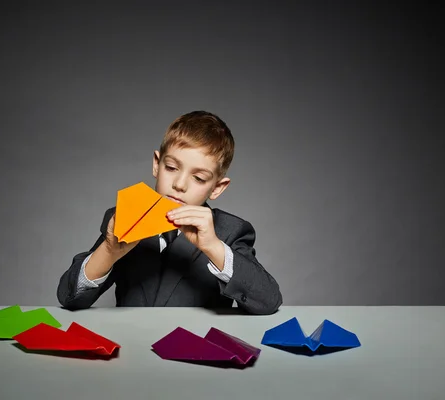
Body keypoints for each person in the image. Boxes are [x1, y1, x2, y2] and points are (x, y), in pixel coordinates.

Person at [57, 111, 282, 315]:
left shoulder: (230, 231)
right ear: (156, 164)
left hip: (198, 355)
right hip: (133, 351)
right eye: (172, 168)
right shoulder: (124, 216)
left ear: (217, 187)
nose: (180, 184)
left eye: (199, 178)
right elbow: (69, 298)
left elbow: (269, 301)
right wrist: (108, 251)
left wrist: (214, 247)